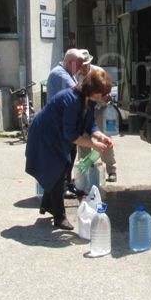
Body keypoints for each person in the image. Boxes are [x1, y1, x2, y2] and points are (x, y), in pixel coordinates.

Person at [26, 68, 114, 230]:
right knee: (58, 172)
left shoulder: (89, 100)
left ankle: (47, 204)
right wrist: (94, 144)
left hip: (58, 135)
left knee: (64, 168)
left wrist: (101, 136)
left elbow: (89, 124)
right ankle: (60, 217)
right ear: (92, 90)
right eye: (101, 93)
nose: (103, 97)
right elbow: (71, 135)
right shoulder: (71, 100)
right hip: (45, 134)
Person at [47, 48, 93, 198]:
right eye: (79, 64)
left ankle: (68, 183)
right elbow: (76, 91)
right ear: (70, 62)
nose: (81, 68)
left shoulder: (68, 73)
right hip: (58, 124)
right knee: (64, 156)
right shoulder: (59, 74)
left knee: (71, 154)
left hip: (65, 122)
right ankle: (62, 187)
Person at [77, 61, 118, 182]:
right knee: (83, 140)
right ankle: (85, 170)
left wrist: (105, 97)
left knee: (105, 139)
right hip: (85, 110)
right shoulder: (76, 75)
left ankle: (111, 170)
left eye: (85, 65)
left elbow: (106, 91)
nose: (83, 68)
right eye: (81, 65)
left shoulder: (98, 72)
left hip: (100, 108)